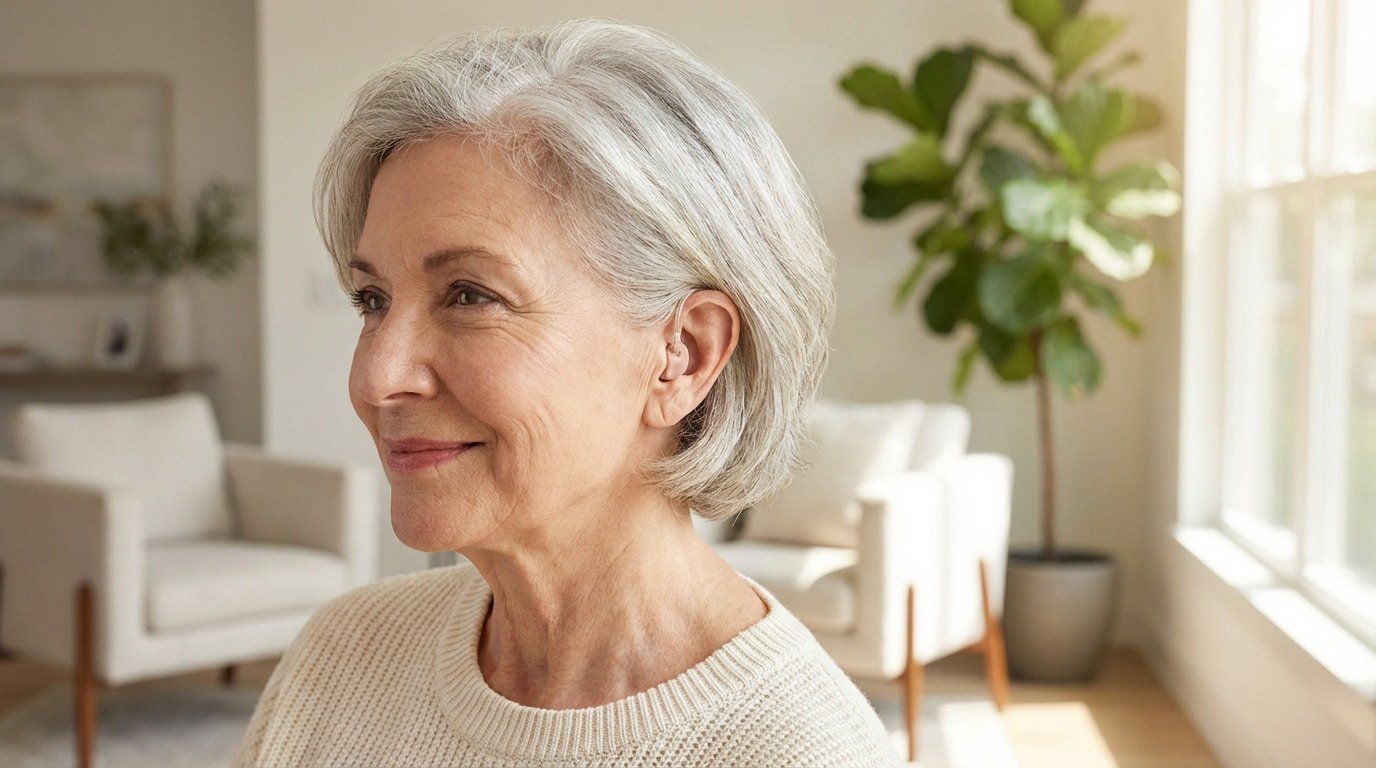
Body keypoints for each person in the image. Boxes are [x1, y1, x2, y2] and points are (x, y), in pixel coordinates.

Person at [232, 17, 901, 768]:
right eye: (372, 300)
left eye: (470, 295)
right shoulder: (344, 656)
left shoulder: (799, 751)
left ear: (684, 355)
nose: (376, 377)